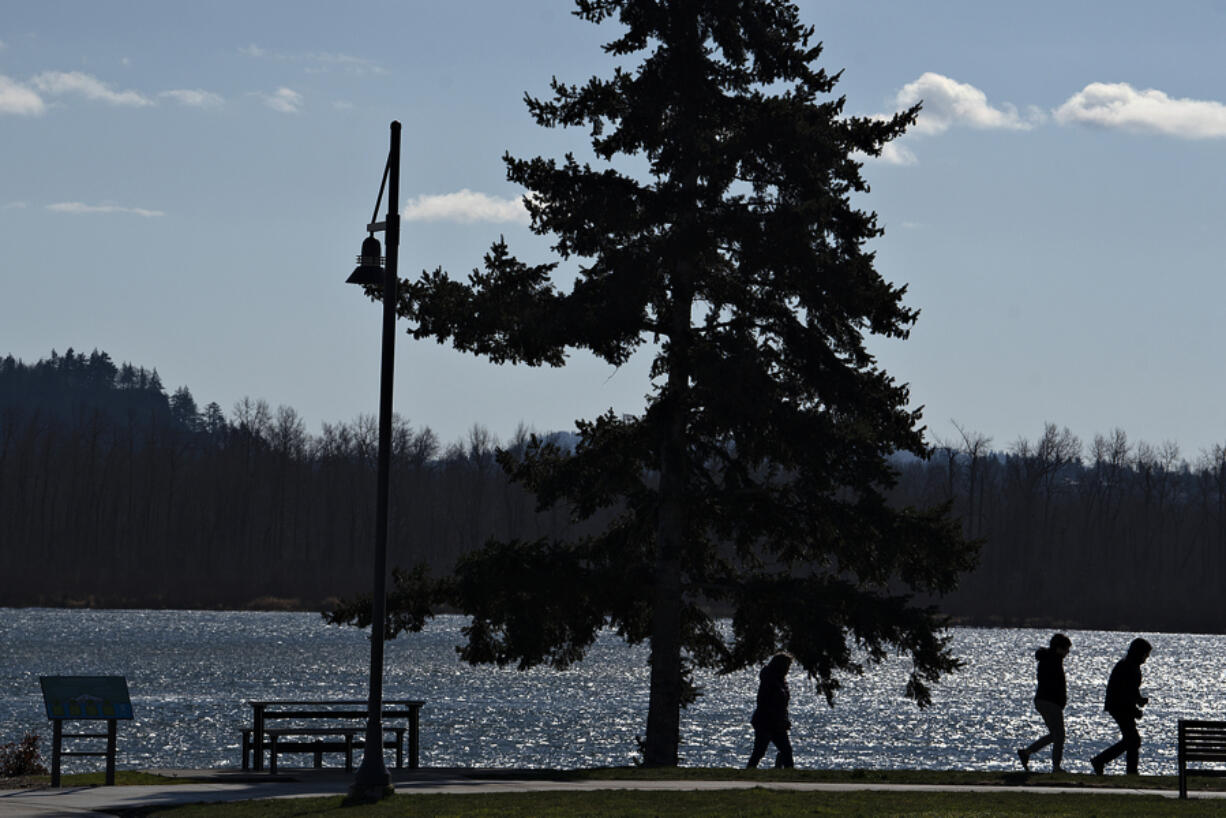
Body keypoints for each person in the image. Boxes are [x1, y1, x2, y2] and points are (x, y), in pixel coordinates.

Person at [1090, 637, 1152, 775]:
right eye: (1146, 654)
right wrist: (1135, 709)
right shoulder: (1130, 667)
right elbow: (1125, 693)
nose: (1146, 658)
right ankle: (1101, 761)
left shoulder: (1128, 665)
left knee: (1132, 740)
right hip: (1119, 706)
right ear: (1139, 653)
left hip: (1118, 705)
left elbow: (1131, 690)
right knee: (1132, 739)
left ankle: (1129, 770)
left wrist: (1139, 700)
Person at [1018, 633, 1071, 773]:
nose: (1068, 652)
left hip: (1042, 700)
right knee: (1059, 735)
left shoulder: (1048, 659)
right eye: (1066, 649)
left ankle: (1027, 752)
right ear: (1059, 648)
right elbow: (1056, 684)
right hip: (1050, 701)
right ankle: (1056, 766)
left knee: (1055, 734)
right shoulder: (1054, 661)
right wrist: (1060, 699)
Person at [746, 653, 794, 768]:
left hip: (777, 721)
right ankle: (750, 770)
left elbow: (782, 704)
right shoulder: (770, 681)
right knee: (760, 750)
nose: (788, 670)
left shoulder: (780, 682)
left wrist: (784, 719)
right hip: (766, 721)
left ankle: (788, 772)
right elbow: (766, 702)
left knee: (786, 750)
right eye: (786, 666)